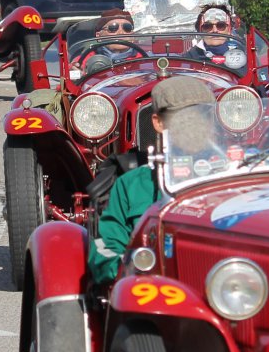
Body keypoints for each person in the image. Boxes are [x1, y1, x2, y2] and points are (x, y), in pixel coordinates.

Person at [88, 76, 217, 285]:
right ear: (158, 123)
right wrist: (134, 269)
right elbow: (106, 249)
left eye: (202, 116)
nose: (193, 125)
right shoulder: (131, 185)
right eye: (182, 118)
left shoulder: (238, 176)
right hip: (155, 289)